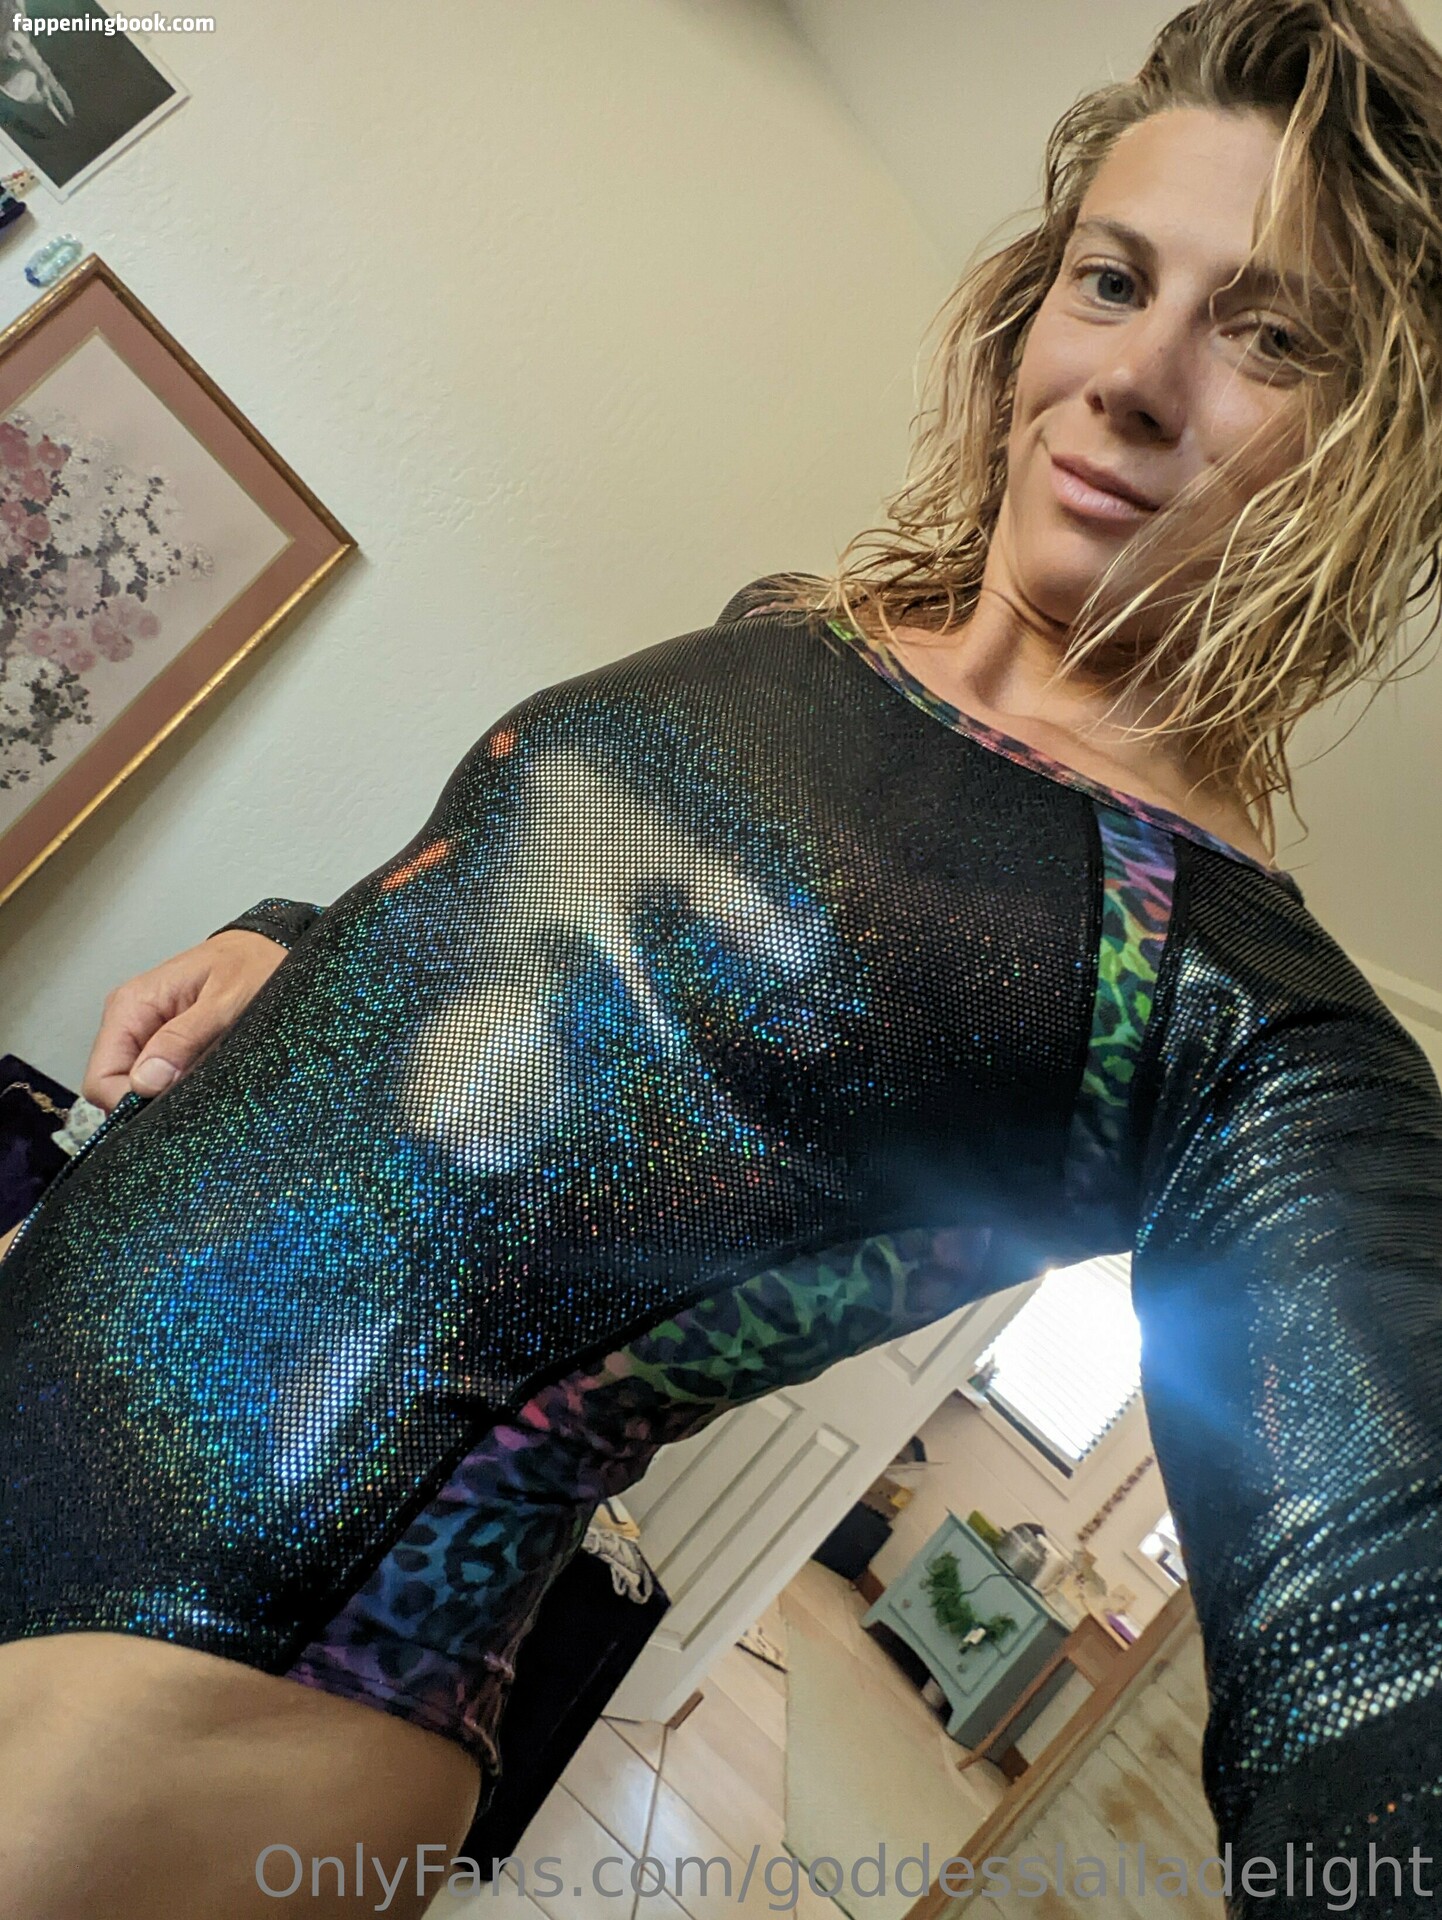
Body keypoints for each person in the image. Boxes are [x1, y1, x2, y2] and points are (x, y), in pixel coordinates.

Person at [4, 1, 1442, 1913]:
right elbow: (528, 911)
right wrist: (292, 947)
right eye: (1113, 280)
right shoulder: (796, 622)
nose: (1133, 378)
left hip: (220, 1674)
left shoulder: (1234, 1008)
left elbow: (1385, 1662)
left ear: (1381, 436)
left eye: (1268, 339)